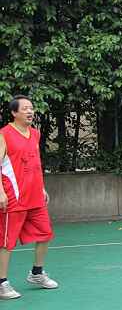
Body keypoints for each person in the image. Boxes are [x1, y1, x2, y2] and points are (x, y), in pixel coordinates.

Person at [0, 95, 58, 300]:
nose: (30, 111)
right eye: (25, 108)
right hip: (13, 197)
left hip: (35, 196)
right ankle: (1, 283)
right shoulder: (4, 134)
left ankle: (36, 273)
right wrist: (0, 192)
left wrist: (41, 188)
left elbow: (35, 162)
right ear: (14, 112)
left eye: (31, 108)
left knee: (45, 234)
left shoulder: (35, 133)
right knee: (6, 241)